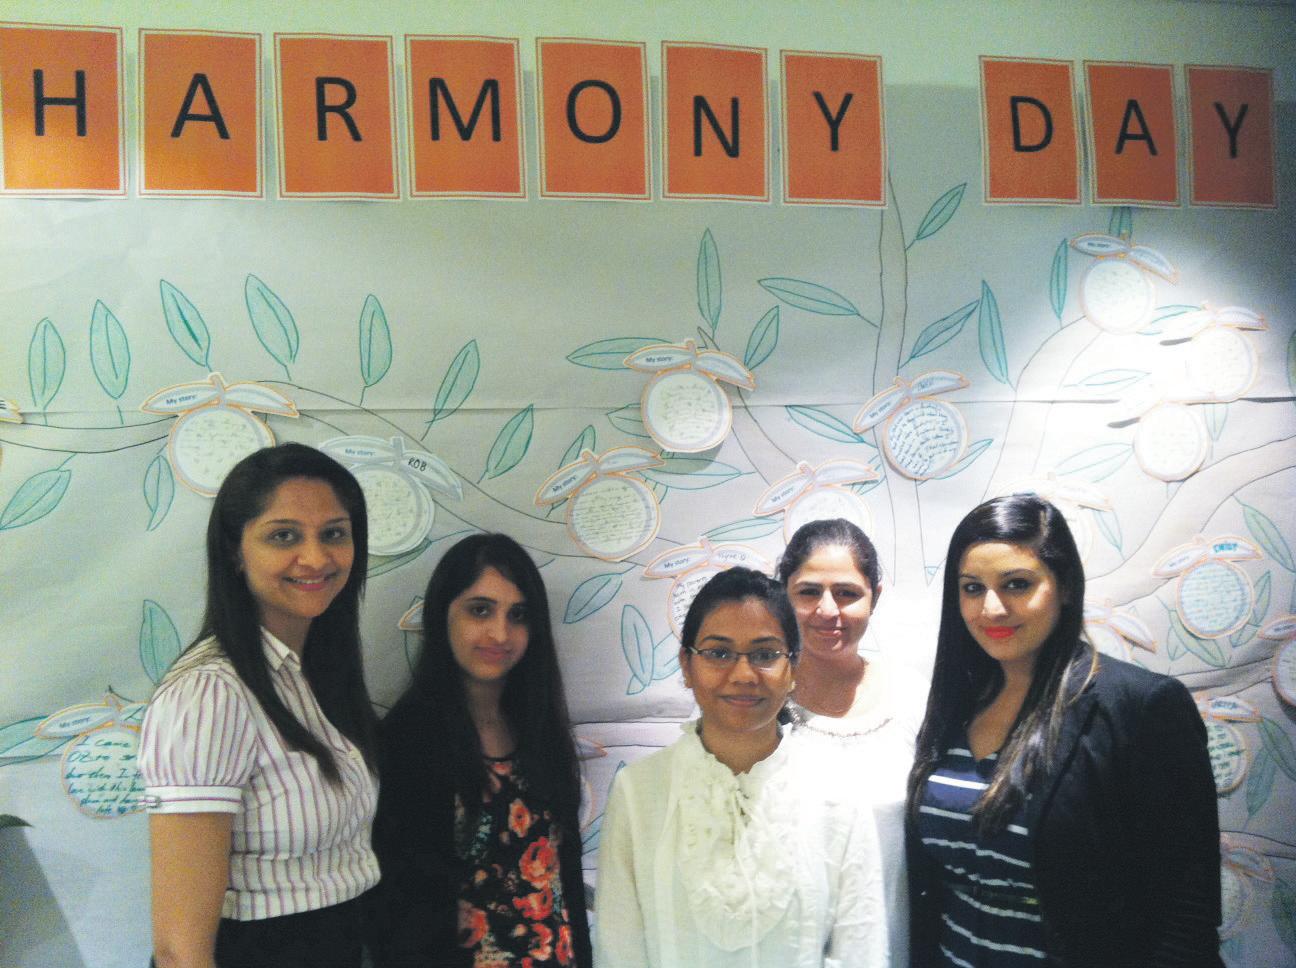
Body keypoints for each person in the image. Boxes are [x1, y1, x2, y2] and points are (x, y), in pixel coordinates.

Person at [906, 494, 1222, 968]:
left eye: (1017, 584)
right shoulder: (956, 703)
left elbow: (1185, 915)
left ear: (1066, 586)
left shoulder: (1140, 708)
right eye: (972, 588)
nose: (991, 608)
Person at [139, 443, 379, 968]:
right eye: (283, 536)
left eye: (334, 534)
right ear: (235, 551)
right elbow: (179, 951)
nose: (316, 558)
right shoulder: (210, 694)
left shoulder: (314, 674)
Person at [596, 566, 889, 968]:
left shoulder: (838, 791)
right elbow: (618, 948)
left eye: (765, 655)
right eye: (718, 653)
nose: (743, 674)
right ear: (686, 665)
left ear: (794, 668)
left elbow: (862, 948)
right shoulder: (639, 791)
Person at [371, 533, 591, 967]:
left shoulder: (541, 729)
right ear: (443, 615)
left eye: (518, 615)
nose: (500, 633)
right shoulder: (405, 742)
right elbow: (397, 916)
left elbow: (566, 881)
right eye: (480, 610)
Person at [778, 518, 927, 968]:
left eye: (847, 593)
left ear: (874, 597)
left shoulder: (912, 697)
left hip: (892, 946)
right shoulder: (753, 703)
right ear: (783, 595)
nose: (828, 610)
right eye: (809, 592)